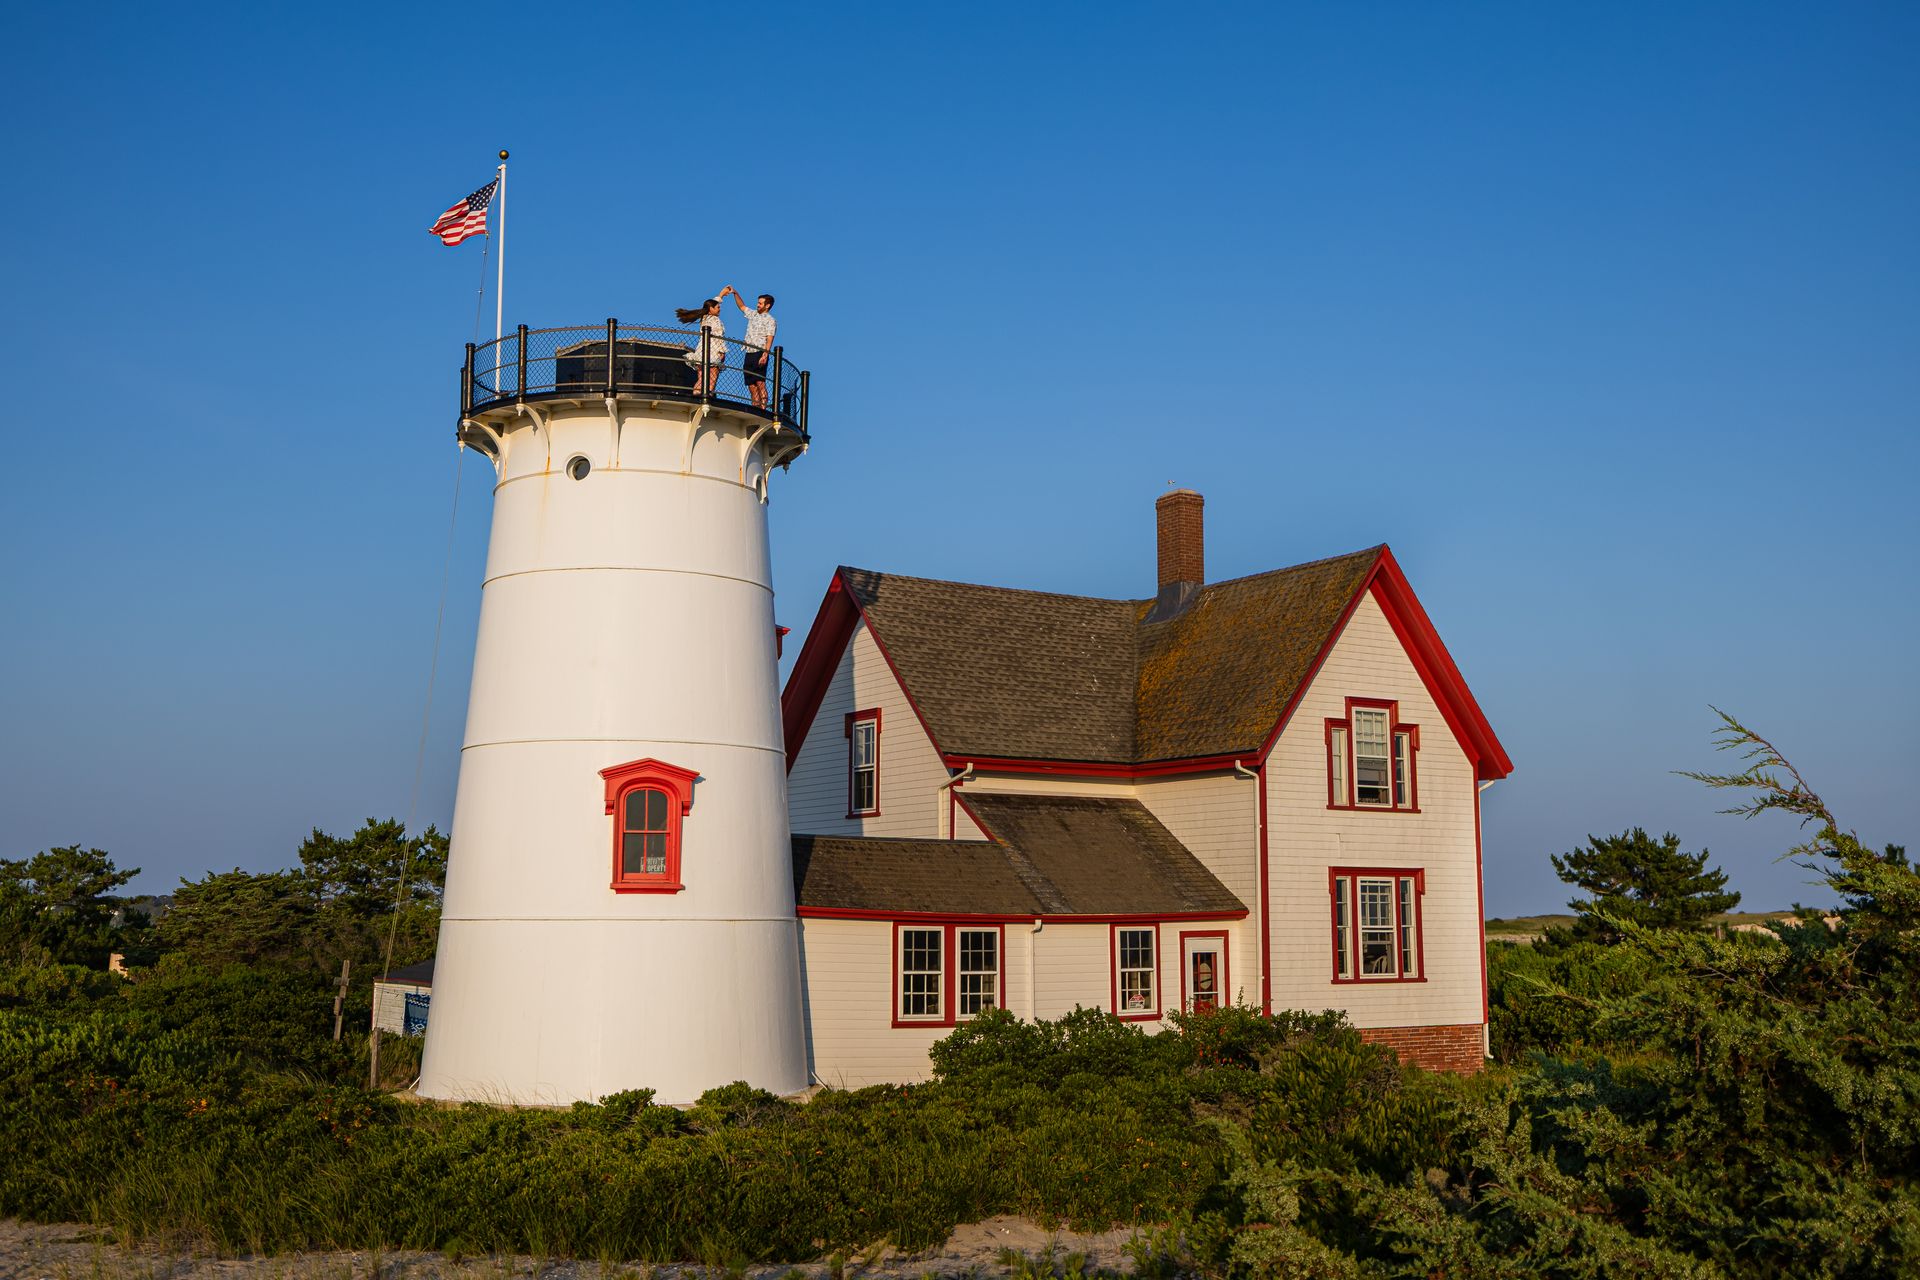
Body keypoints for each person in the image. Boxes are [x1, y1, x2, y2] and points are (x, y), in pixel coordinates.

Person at [726, 287, 777, 410]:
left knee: (760, 382)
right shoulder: (753, 314)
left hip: (760, 352)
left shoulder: (771, 320)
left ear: (767, 305)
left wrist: (765, 354)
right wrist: (736, 293)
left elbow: (770, 338)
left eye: (760, 303)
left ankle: (763, 408)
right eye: (758, 302)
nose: (758, 305)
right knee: (750, 384)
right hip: (748, 352)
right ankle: (755, 406)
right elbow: (741, 306)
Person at [673, 296, 727, 396]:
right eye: (718, 307)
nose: (720, 309)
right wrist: (722, 351)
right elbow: (718, 337)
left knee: (702, 377)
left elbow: (711, 304)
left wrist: (721, 295)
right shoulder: (716, 320)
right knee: (713, 375)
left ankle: (696, 394)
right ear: (711, 309)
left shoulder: (704, 318)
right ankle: (708, 395)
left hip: (701, 350)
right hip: (713, 350)